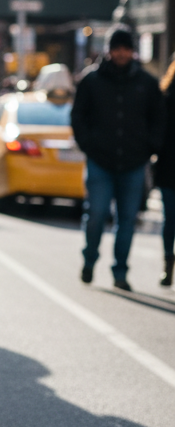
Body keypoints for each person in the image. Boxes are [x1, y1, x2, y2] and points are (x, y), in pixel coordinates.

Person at [71, 25, 164, 291]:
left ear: (132, 51)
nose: (121, 53)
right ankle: (89, 260)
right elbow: (78, 116)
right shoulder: (91, 80)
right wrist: (88, 144)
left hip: (134, 162)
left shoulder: (147, 83)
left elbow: (159, 119)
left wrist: (149, 148)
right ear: (109, 50)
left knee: (127, 220)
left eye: (126, 48)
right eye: (117, 48)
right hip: (100, 161)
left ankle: (120, 272)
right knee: (96, 214)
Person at [154, 53, 175, 287]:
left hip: (167, 165)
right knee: (170, 219)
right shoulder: (166, 95)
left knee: (170, 219)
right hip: (169, 167)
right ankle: (168, 262)